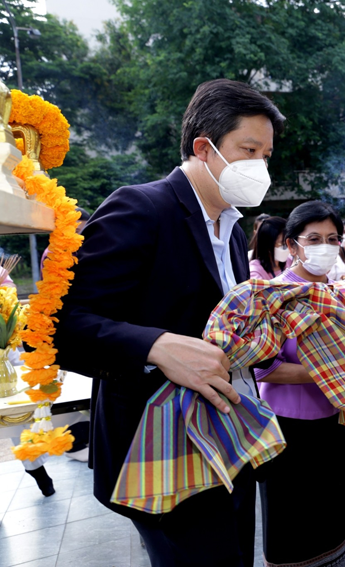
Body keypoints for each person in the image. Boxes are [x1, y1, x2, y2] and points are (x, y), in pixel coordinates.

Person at [53, 78, 286, 567]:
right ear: (204, 148)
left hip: (226, 437)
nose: (260, 167)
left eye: (266, 155)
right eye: (248, 150)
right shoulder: (141, 207)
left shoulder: (233, 224)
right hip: (160, 449)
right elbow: (64, 326)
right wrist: (155, 346)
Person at [254, 201, 345, 567]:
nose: (324, 247)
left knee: (329, 515)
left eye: (332, 239)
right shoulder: (271, 296)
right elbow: (264, 370)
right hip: (285, 428)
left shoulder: (340, 293)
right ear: (292, 245)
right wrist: (328, 371)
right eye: (314, 239)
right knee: (289, 523)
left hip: (331, 421)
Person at [39, 207, 91, 272]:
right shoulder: (54, 254)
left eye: (84, 231)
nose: (81, 236)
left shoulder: (83, 249)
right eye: (76, 231)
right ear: (64, 230)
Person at [248, 216, 288, 280]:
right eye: (282, 243)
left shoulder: (290, 262)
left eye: (289, 243)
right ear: (267, 245)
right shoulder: (255, 270)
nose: (287, 247)